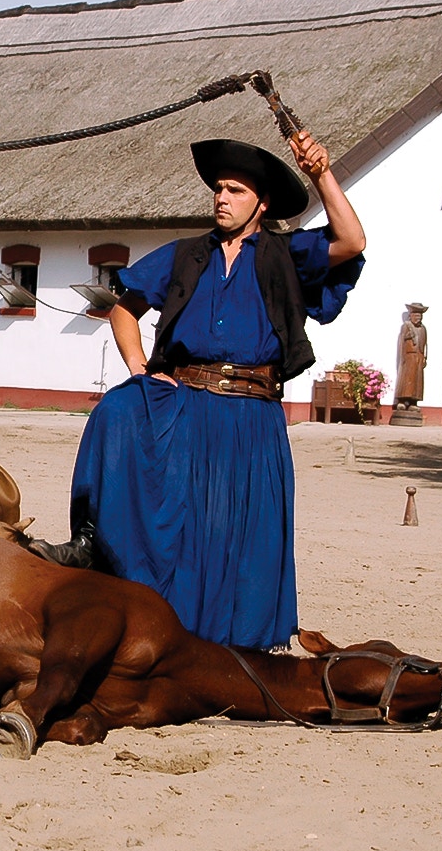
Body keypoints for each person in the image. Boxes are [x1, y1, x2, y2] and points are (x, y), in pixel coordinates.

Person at [48, 133, 366, 650]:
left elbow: (351, 242)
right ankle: (92, 543)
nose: (221, 198)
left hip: (252, 418)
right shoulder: (185, 256)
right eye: (218, 188)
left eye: (235, 190)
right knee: (119, 411)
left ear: (260, 204)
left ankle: (240, 648)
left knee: (238, 533)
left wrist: (321, 173)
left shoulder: (288, 254)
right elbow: (124, 310)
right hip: (188, 405)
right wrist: (141, 369)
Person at [394, 302, 429, 409]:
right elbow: (401, 343)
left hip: (419, 356)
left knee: (417, 381)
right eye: (417, 316)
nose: (419, 318)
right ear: (411, 316)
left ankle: (414, 402)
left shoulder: (423, 328)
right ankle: (403, 401)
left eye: (420, 316)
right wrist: (402, 357)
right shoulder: (406, 326)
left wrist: (425, 357)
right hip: (409, 357)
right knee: (407, 379)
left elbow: (426, 344)